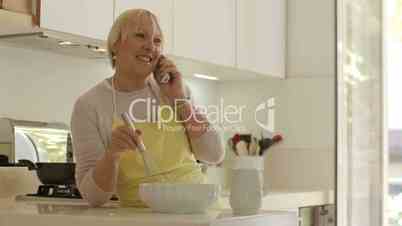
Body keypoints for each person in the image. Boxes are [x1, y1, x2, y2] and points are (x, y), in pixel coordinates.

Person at [70, 9, 224, 207]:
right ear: (115, 44)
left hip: (200, 211)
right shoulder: (89, 105)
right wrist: (112, 154)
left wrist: (179, 98)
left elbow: (213, 155)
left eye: (157, 41)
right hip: (140, 218)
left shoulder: (174, 90)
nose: (150, 46)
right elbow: (94, 197)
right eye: (140, 36)